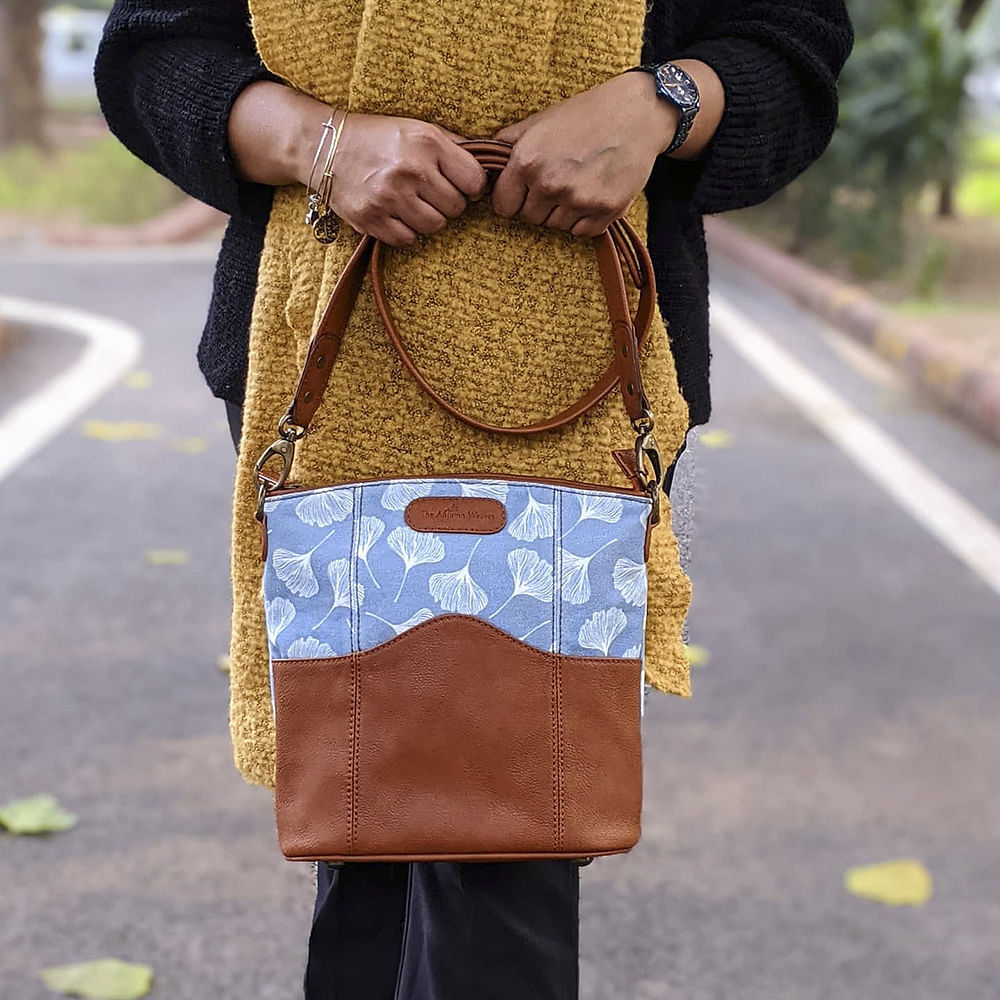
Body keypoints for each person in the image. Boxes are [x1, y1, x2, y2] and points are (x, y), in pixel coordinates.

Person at [95, 1, 853, 997]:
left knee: (504, 843)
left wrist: (661, 101)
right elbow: (151, 51)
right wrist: (321, 144)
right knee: (363, 822)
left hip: (583, 379)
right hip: (322, 370)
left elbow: (790, 51)